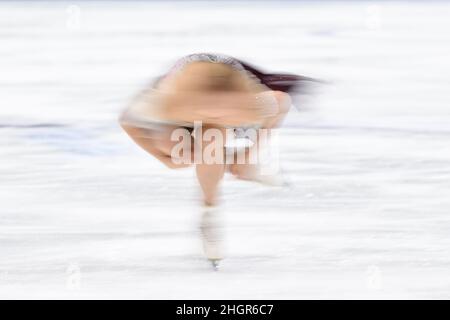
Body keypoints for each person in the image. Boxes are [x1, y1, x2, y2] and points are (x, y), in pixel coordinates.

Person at [119, 53, 307, 208]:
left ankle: (210, 202)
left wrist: (249, 155)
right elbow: (127, 120)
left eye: (221, 114)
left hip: (222, 96)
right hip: (183, 106)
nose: (214, 117)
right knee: (182, 156)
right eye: (209, 112)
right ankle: (219, 178)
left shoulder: (253, 104)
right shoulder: (164, 103)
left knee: (212, 137)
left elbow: (282, 103)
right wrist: (161, 157)